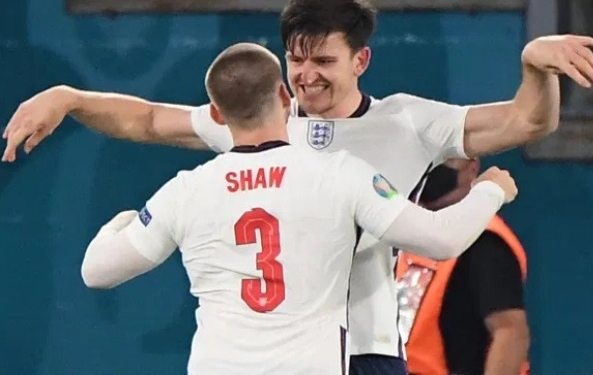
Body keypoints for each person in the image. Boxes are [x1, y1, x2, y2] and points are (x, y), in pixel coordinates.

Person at [2, 0, 593, 375]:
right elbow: (148, 119)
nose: (306, 74)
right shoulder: (258, 124)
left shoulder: (408, 122)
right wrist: (71, 96)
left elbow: (527, 121)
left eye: (324, 60)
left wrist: (535, 67)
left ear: (361, 59)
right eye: (295, 58)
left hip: (366, 347)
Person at [80, 42, 518, 375]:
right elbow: (441, 239)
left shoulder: (186, 191)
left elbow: (96, 272)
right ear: (284, 97)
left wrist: (121, 223)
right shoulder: (340, 174)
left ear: (215, 113)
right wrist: (490, 191)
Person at [396, 158, 530, 375]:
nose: (435, 166)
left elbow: (510, 332)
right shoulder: (408, 230)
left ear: (471, 168)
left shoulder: (485, 241)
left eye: (447, 159)